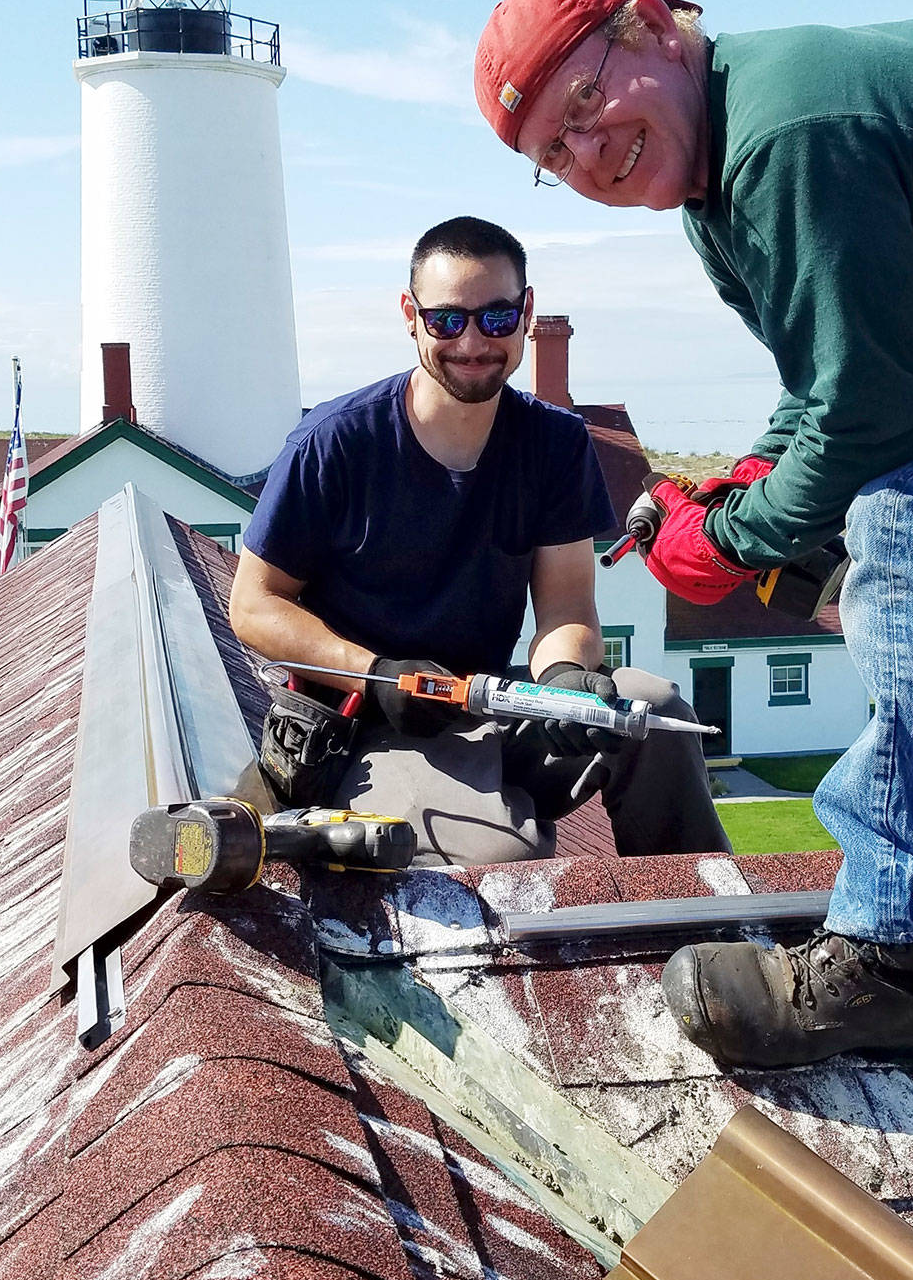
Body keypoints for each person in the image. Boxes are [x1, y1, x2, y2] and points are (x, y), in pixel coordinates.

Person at [475, 0, 913, 1067]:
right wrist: (746, 478)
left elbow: (873, 418)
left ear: (652, 25)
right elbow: (829, 382)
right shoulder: (725, 171)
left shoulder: (785, 136)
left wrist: (729, 538)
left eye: (583, 104)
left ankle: (894, 955)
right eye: (551, 153)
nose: (585, 155)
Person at [230, 214, 728, 867]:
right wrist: (377, 674)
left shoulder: (555, 443)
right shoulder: (334, 445)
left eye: (495, 318)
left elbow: (566, 608)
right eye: (446, 319)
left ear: (526, 314)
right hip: (366, 729)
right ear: (410, 315)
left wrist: (566, 680)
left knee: (652, 714)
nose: (472, 340)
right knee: (502, 859)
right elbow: (254, 604)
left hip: (485, 704)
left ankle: (701, 925)